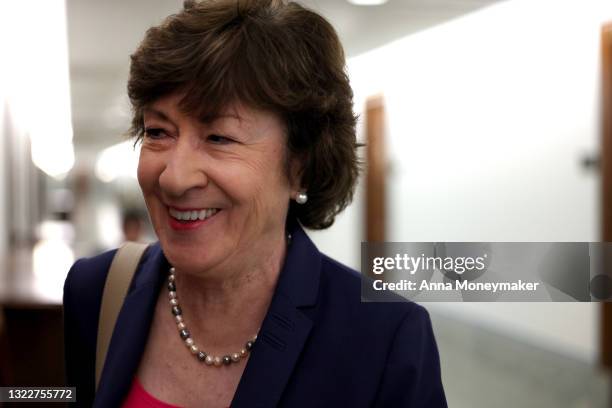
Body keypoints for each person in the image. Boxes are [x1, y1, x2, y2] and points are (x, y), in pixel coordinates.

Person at [63, 1, 447, 407]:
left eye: (219, 138)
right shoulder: (97, 292)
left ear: (300, 165)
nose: (174, 177)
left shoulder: (385, 339)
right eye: (158, 131)